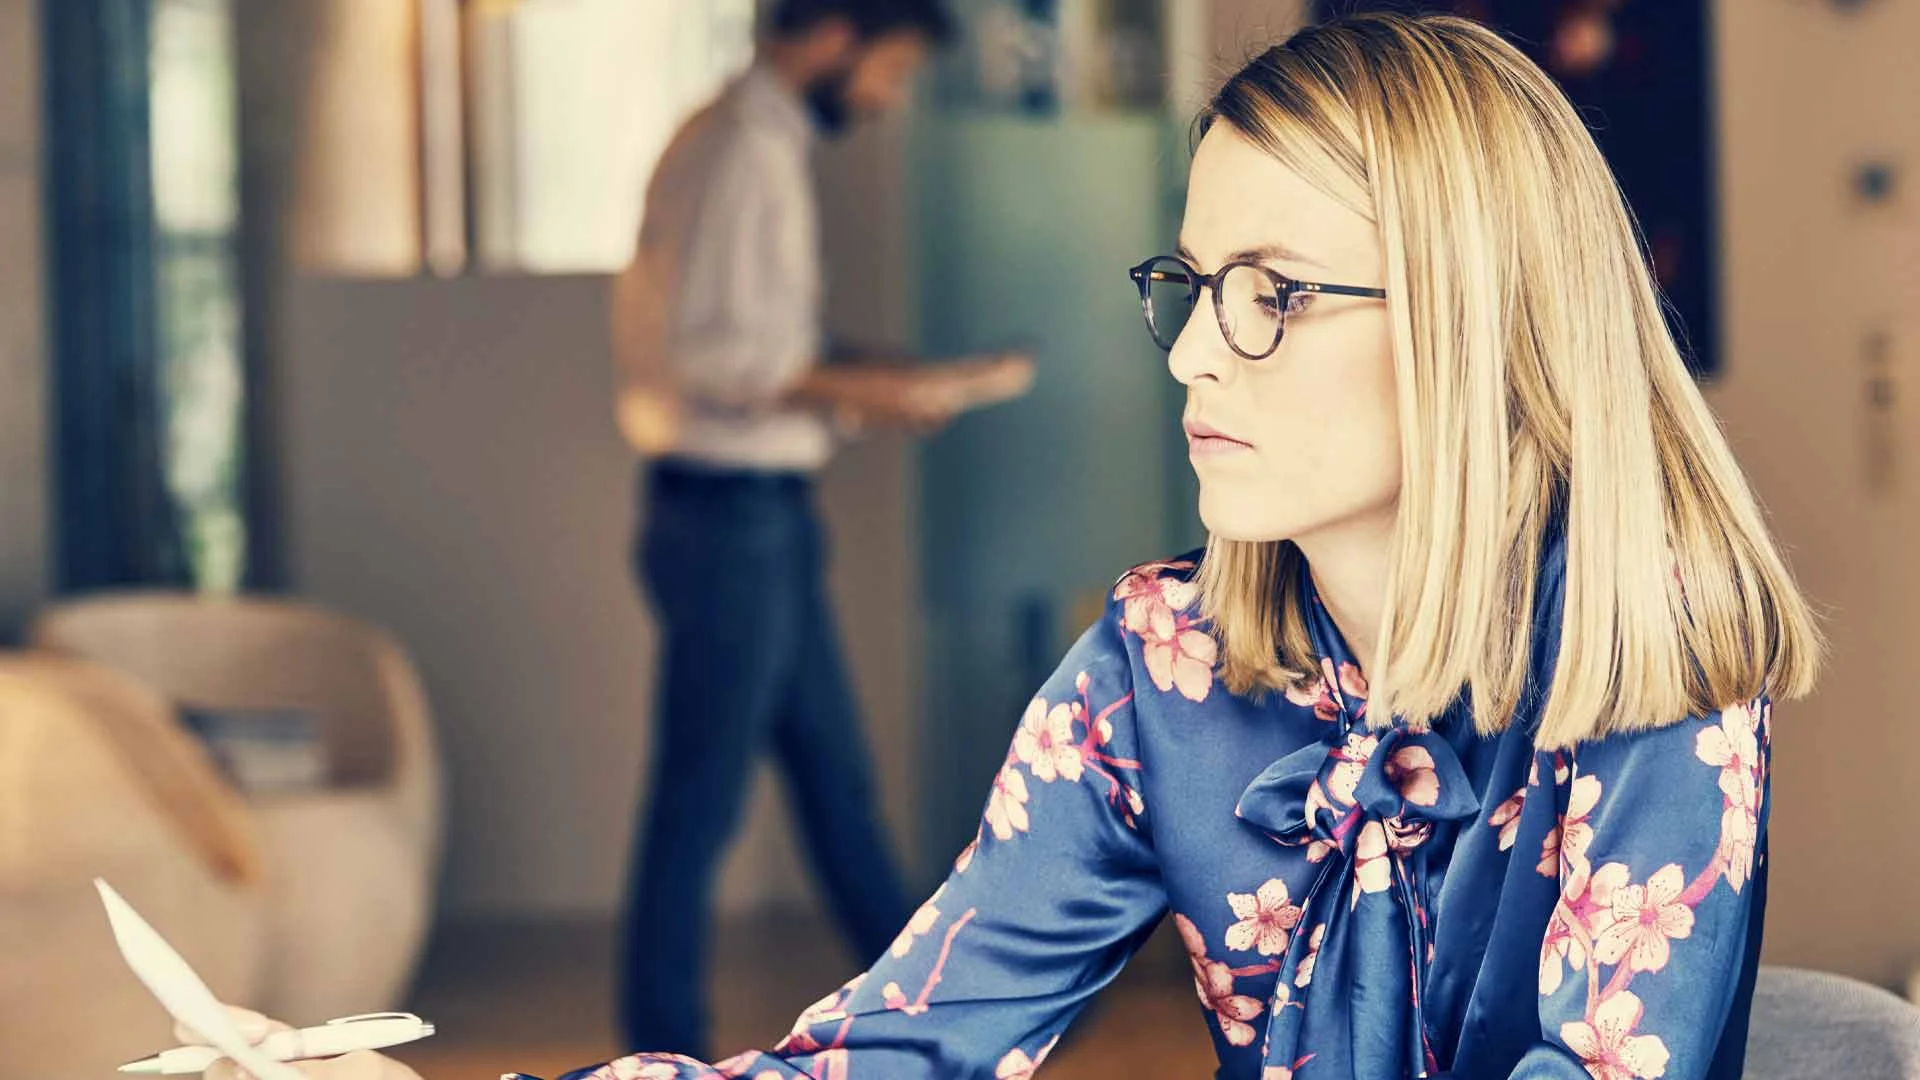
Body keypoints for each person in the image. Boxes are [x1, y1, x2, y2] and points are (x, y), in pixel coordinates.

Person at [186, 12, 1820, 1080]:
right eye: (1194, 286)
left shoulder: (1650, 650)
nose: (1191, 356)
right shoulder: (1156, 676)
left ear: (1477, 324)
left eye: (1274, 293)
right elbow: (896, 1053)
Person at [605, 0, 1031, 1062]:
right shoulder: (742, 149)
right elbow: (718, 361)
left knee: (837, 787)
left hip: (755, 518)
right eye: (892, 68)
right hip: (729, 519)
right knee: (701, 802)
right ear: (839, 33)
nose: (888, 97)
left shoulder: (749, 139)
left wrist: (883, 376)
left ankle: (935, 1020)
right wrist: (885, 394)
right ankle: (663, 1050)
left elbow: (766, 343)